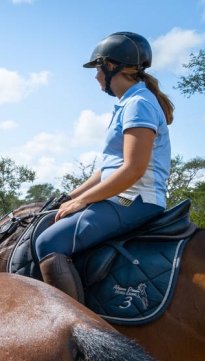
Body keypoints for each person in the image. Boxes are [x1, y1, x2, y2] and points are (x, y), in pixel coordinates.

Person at [35, 32, 174, 303]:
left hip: (133, 200)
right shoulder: (130, 103)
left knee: (49, 243)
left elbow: (133, 170)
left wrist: (82, 202)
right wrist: (71, 198)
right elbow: (109, 168)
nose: (96, 76)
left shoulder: (138, 105)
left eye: (97, 68)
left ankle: (76, 332)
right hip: (121, 197)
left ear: (110, 67)